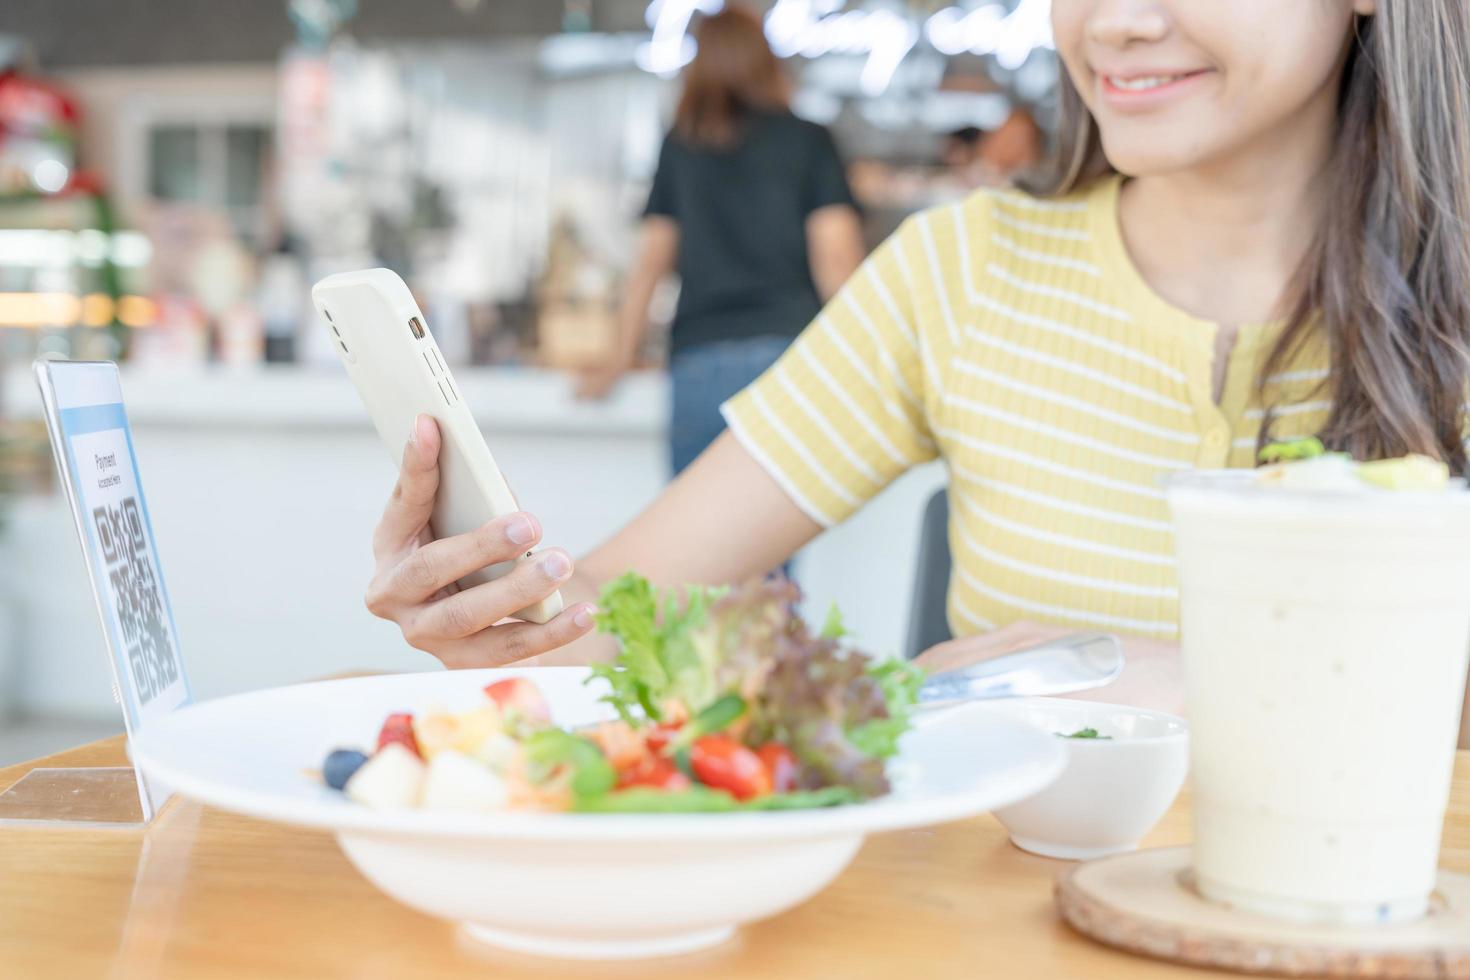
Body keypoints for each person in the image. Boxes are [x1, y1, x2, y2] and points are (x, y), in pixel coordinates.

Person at [364, 0, 1470, 739]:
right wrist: (503, 615)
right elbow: (624, 605)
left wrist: (1184, 687)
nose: (1121, 22)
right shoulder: (964, 269)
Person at [575, 4, 865, 476]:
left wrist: (618, 359)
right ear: (766, 59)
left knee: (694, 541)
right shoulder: (808, 140)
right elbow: (836, 262)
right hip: (788, 360)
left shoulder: (681, 144)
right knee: (769, 538)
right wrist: (865, 360)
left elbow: (650, 265)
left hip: (699, 359)